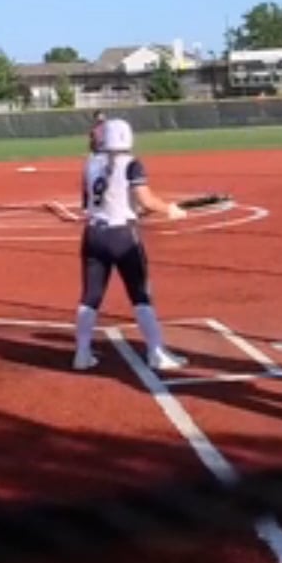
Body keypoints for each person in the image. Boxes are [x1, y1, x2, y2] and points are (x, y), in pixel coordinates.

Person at [71, 118, 189, 373]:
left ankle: (82, 352)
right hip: (122, 236)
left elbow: (94, 202)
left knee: (90, 296)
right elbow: (145, 200)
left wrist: (136, 209)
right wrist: (169, 209)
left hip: (93, 234)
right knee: (140, 295)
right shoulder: (132, 164)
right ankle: (156, 352)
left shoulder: (90, 163)